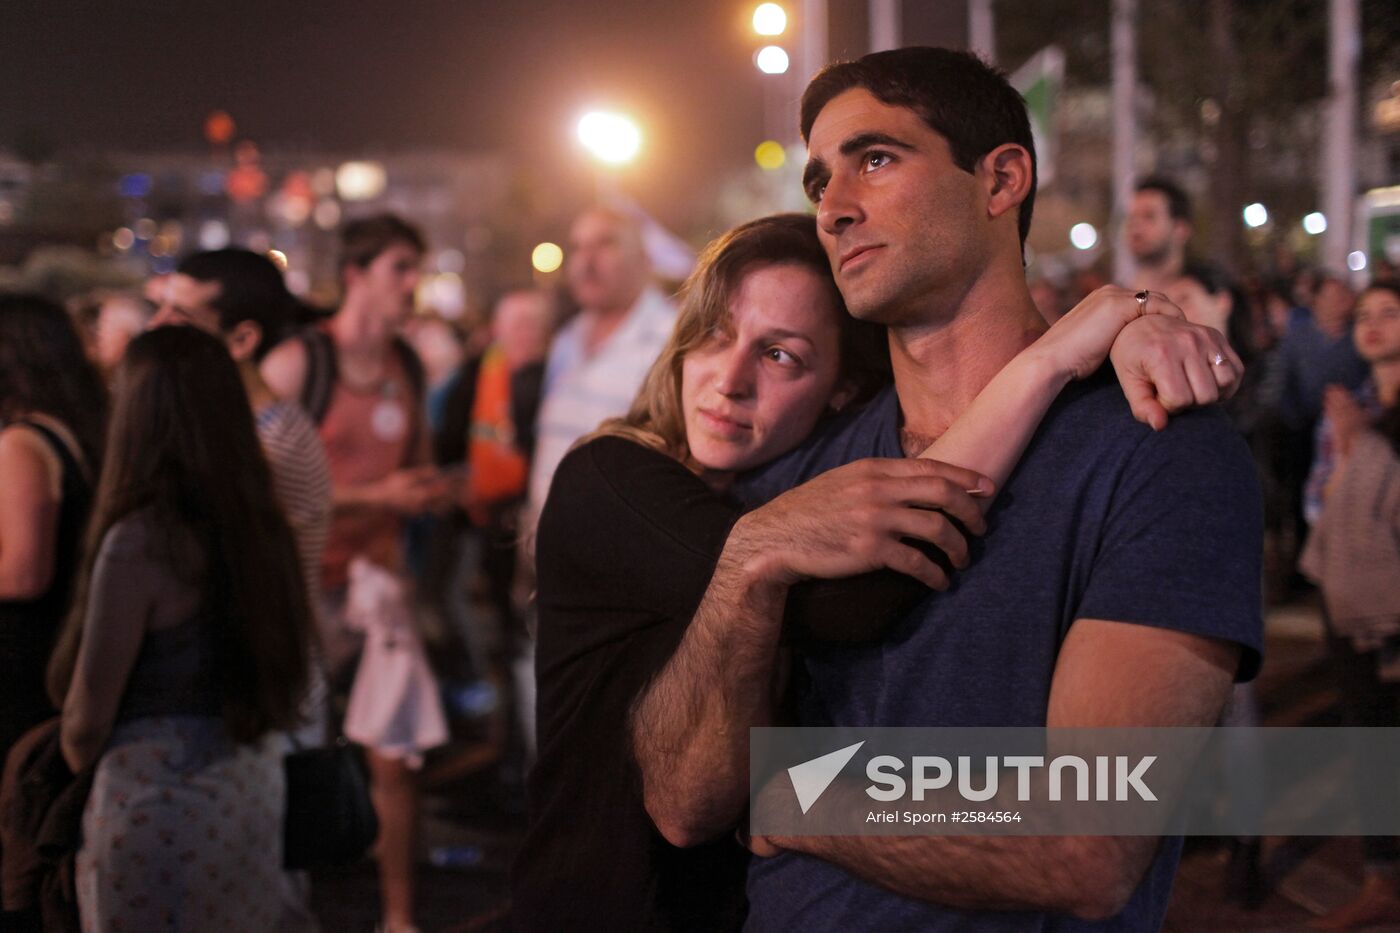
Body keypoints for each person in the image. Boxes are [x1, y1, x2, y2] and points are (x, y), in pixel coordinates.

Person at [632, 48, 1262, 931]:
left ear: (1001, 178)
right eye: (819, 181)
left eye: (876, 159)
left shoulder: (1159, 453)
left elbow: (1086, 839)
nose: (834, 206)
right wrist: (747, 564)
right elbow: (685, 798)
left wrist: (792, 793)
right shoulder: (796, 473)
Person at [512, 211, 1242, 932]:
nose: (729, 380)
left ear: (839, 390)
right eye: (713, 335)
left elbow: (1089, 844)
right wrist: (1048, 361)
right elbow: (852, 600)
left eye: (781, 356)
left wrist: (1133, 324)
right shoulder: (607, 478)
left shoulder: (787, 478)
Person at [47, 326, 312, 932]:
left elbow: (86, 720)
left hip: (156, 810)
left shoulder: (142, 540)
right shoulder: (263, 524)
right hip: (250, 796)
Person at [262, 214, 448, 933]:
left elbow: (415, 465)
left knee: (395, 759)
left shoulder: (407, 365)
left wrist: (436, 489)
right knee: (296, 754)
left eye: (415, 268)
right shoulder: (298, 364)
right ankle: (289, 907)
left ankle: (397, 915)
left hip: (377, 589)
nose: (412, 283)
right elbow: (262, 490)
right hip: (302, 593)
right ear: (356, 275)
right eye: (399, 267)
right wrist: (378, 496)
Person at [1299, 282, 1400, 930]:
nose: (1372, 326)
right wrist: (1348, 457)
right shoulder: (1347, 409)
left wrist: (1371, 447)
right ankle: (1381, 876)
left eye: (1390, 314)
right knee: (1370, 734)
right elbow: (1317, 502)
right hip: (1353, 599)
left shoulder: (1370, 421)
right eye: (1364, 316)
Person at [523, 206, 676, 541]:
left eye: (605, 244)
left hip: (620, 557)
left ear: (644, 260)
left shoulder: (673, 340)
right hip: (548, 552)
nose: (586, 262)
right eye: (578, 247)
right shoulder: (566, 339)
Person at [0, 295, 105, 772]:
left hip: (21, 661)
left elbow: (24, 573)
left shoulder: (22, 442)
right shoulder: (73, 429)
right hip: (52, 655)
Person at [1126, 175, 1193, 293]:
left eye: (1149, 216)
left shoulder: (1206, 299)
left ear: (1180, 229)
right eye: (1132, 217)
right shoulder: (1116, 301)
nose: (1136, 226)